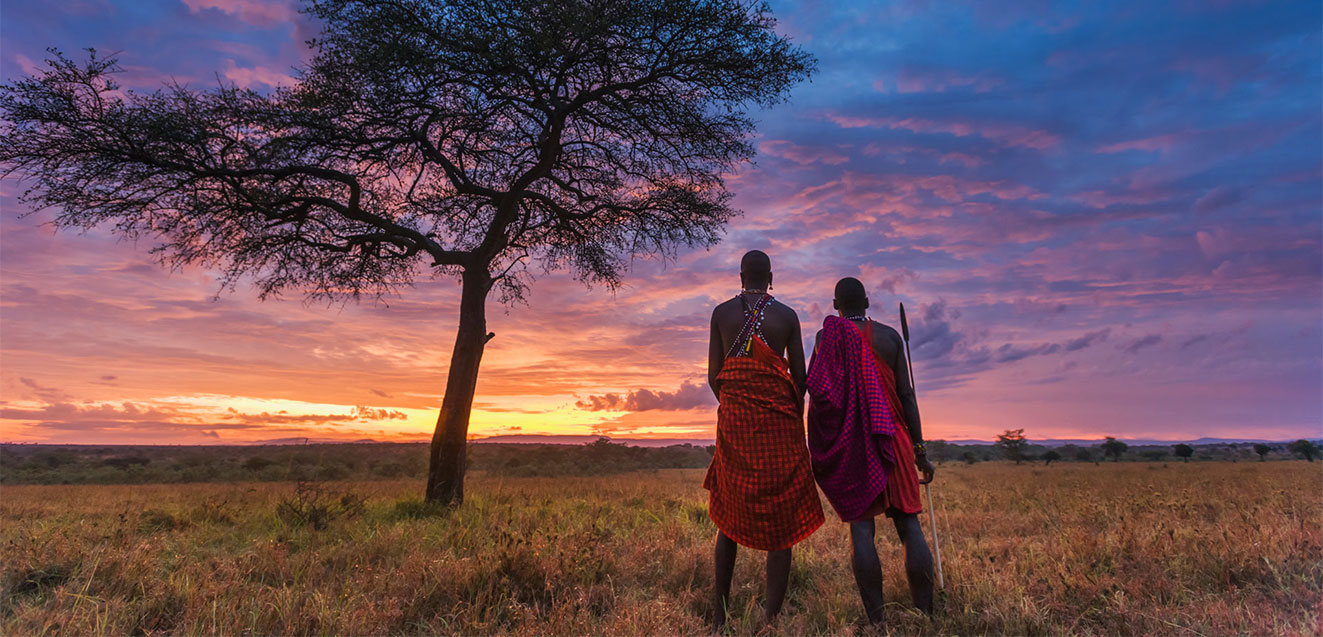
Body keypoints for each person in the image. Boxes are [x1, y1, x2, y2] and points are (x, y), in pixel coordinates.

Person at [702, 250, 825, 627]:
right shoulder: (787, 316)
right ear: (771, 277)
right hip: (779, 429)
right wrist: (778, 411)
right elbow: (801, 380)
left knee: (728, 516)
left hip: (735, 426)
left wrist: (739, 405)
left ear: (741, 277)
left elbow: (714, 375)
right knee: (782, 514)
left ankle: (720, 613)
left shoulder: (721, 313)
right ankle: (771, 617)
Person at [805, 276, 936, 627]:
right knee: (910, 526)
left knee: (861, 530)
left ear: (835, 306)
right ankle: (925, 615)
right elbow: (907, 396)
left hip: (854, 445)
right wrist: (920, 450)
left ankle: (877, 623)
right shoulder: (890, 338)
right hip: (893, 437)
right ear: (866, 302)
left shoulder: (824, 338)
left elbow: (819, 394)